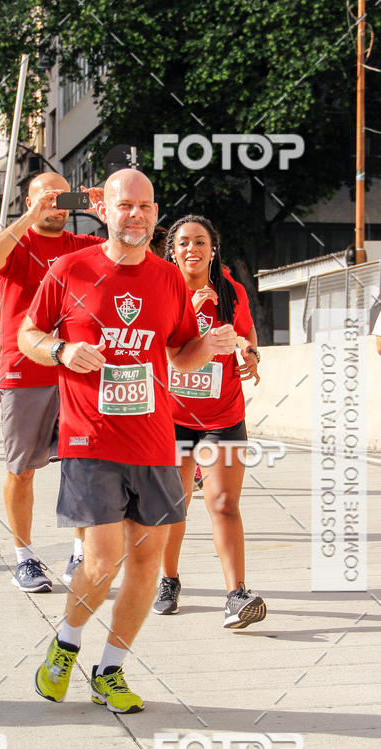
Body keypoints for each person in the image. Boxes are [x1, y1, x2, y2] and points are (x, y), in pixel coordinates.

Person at [18, 169, 237, 713]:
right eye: (124, 205)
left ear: (155, 215)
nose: (134, 214)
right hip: (90, 437)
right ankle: (66, 643)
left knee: (147, 560)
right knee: (102, 559)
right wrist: (63, 352)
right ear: (106, 211)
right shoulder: (70, 269)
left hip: (155, 441)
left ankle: (110, 668)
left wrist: (209, 345)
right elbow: (29, 334)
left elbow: (182, 351)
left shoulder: (167, 281)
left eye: (144, 206)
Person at [0, 172, 104, 593]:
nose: (57, 204)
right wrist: (29, 217)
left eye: (63, 196)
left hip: (76, 371)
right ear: (29, 201)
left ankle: (80, 553)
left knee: (84, 465)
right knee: (22, 470)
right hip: (23, 371)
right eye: (48, 197)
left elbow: (138, 251)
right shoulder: (19, 243)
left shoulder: (80, 246)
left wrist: (108, 214)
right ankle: (25, 558)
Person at [152, 214, 266, 629]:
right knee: (174, 502)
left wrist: (251, 354)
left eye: (200, 242)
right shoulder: (160, 289)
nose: (192, 249)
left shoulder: (231, 291)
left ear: (212, 250)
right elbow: (157, 351)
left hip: (224, 415)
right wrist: (188, 307)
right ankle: (168, 580)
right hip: (172, 416)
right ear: (172, 251)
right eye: (183, 243)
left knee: (222, 502)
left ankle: (237, 595)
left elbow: (245, 335)